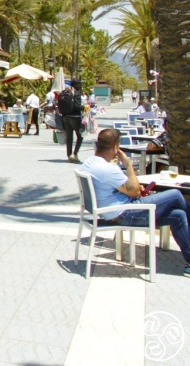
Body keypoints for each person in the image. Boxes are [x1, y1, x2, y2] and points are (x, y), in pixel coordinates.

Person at [82, 128, 190, 274]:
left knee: (178, 215)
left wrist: (133, 189)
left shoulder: (89, 163)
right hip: (124, 213)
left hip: (114, 212)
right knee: (176, 195)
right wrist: (128, 164)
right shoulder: (108, 169)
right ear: (115, 148)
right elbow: (134, 192)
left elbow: (127, 189)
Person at [62, 79, 84, 163]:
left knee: (69, 137)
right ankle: (75, 154)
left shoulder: (65, 92)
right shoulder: (76, 93)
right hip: (75, 117)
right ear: (76, 84)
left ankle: (69, 155)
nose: (80, 85)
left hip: (65, 117)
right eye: (79, 84)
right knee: (80, 136)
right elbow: (77, 106)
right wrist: (85, 107)